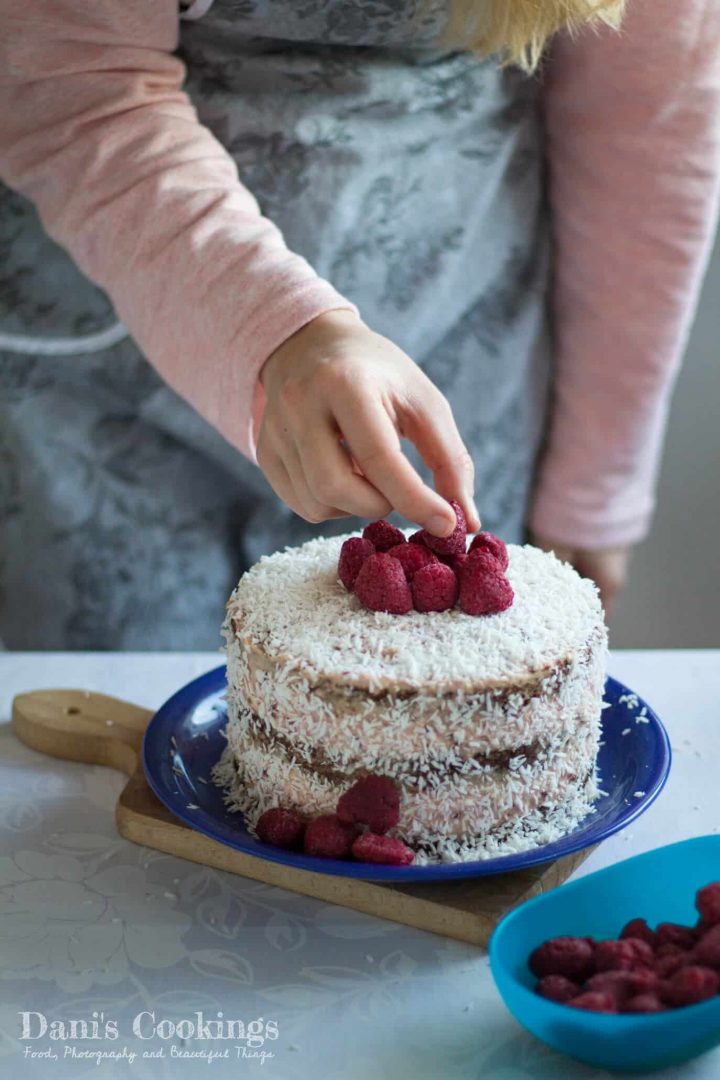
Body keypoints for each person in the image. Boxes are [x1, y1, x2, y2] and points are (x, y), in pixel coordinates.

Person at [0, 0, 718, 649]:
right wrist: (273, 324)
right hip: (102, 387)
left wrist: (596, 489)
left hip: (457, 370)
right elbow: (73, 84)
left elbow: (649, 117)